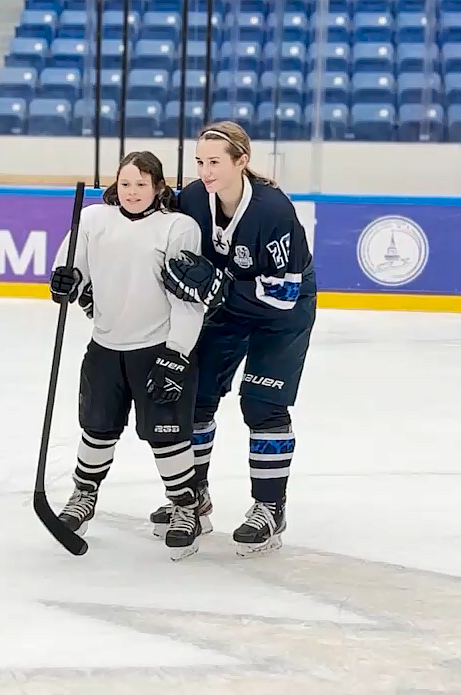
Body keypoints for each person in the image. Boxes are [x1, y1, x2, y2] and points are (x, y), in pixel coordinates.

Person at [151, 121, 317, 556]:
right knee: (198, 395)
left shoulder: (272, 211)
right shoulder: (191, 198)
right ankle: (194, 497)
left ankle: (269, 507)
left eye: (215, 162)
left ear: (241, 161)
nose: (206, 171)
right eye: (200, 162)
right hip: (228, 307)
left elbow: (282, 294)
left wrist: (220, 288)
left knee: (262, 404)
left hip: (282, 312)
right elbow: (149, 218)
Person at [47, 151, 207, 560]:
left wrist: (178, 353)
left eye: (141, 184)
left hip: (157, 349)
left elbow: (188, 298)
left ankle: (185, 506)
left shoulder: (178, 227)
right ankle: (84, 496)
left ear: (158, 187)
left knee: (166, 436)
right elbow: (70, 271)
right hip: (105, 345)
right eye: (125, 184)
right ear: (114, 186)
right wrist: (64, 282)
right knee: (97, 428)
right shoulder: (95, 220)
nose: (132, 192)